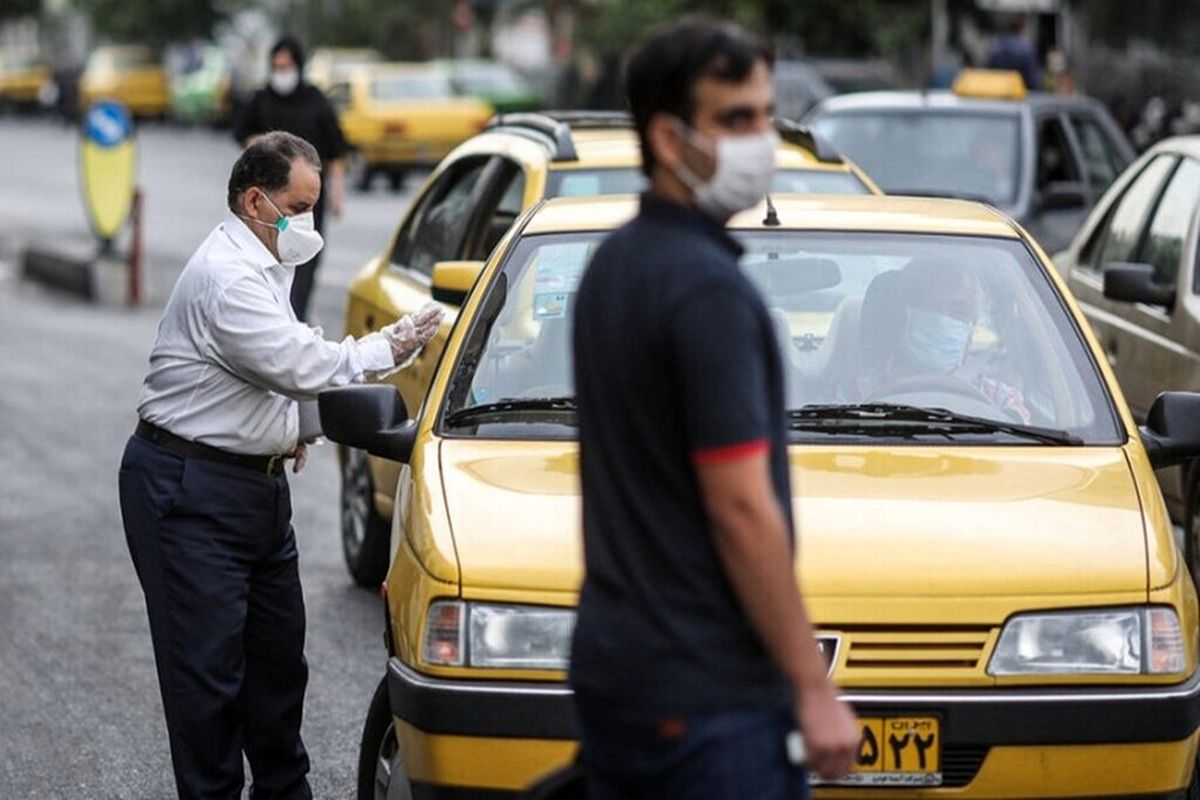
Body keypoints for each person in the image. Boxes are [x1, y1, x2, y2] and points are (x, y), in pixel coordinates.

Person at [570, 17, 860, 799]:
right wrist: (812, 684)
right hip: (706, 695)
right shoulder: (706, 292)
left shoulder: (613, 265)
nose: (760, 141)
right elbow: (739, 506)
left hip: (623, 669)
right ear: (669, 139)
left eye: (765, 116)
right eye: (735, 120)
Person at [117, 131, 443, 800]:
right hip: (189, 490)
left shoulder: (269, 266)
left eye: (316, 206)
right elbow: (298, 364)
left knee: (276, 676)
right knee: (207, 687)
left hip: (256, 493)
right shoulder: (227, 276)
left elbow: (261, 386)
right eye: (299, 205)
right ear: (255, 201)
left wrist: (296, 428)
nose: (309, 222)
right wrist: (389, 345)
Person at [235, 35, 348, 321]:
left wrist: (337, 195)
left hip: (306, 199)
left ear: (297, 66)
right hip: (268, 200)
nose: (280, 73)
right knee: (267, 257)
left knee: (304, 259)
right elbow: (243, 134)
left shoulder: (316, 101)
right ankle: (270, 317)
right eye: (276, 66)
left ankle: (295, 319)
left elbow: (336, 151)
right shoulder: (262, 99)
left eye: (286, 67)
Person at [852, 259, 1033, 423]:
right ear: (905, 315)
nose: (943, 319)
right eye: (931, 306)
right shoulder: (856, 393)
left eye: (959, 311)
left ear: (972, 325)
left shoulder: (1000, 399)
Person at [984, 14, 1041, 91]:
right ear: (1022, 29)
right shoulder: (1026, 49)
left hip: (998, 94)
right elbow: (1033, 81)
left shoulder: (996, 47)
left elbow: (987, 73)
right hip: (1020, 95)